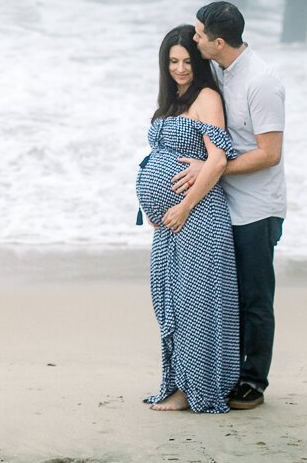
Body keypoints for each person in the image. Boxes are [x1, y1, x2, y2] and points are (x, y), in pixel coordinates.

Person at [175, 0, 286, 410]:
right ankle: (224, 372)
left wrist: (212, 168)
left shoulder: (262, 81)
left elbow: (269, 153)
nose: (195, 38)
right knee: (227, 294)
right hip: (223, 204)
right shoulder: (219, 71)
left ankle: (253, 381)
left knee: (256, 298)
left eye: (200, 34)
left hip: (257, 207)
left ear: (218, 42)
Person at [134, 25, 241, 413]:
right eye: (173, 61)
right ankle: (176, 381)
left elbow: (218, 158)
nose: (180, 68)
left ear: (199, 61)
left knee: (196, 303)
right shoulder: (172, 100)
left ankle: (194, 389)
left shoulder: (207, 97)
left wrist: (183, 206)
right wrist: (153, 204)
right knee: (169, 301)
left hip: (198, 216)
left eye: (187, 61)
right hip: (170, 222)